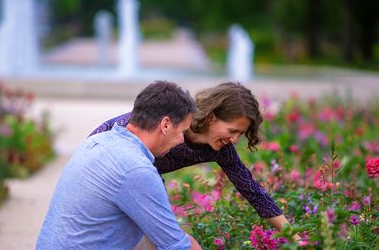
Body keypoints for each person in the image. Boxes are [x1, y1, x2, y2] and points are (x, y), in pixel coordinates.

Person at [32, 81, 214, 250]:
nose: (182, 140)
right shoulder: (136, 168)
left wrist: (186, 240)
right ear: (165, 125)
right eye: (182, 131)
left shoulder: (100, 141)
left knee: (159, 247)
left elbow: (167, 240)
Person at [90, 81, 298, 235]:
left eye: (240, 134)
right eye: (232, 130)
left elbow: (254, 193)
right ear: (211, 117)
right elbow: (104, 138)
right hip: (106, 175)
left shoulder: (220, 148)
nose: (234, 140)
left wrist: (294, 238)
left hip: (140, 182)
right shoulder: (174, 122)